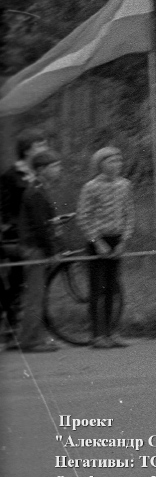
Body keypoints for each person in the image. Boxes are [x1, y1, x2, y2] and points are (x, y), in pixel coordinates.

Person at [77, 145, 134, 349]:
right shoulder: (91, 187)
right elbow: (83, 217)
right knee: (97, 289)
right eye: (111, 161)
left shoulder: (125, 185)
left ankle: (112, 331)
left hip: (116, 240)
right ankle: (97, 334)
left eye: (119, 161)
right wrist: (97, 241)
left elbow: (129, 215)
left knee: (113, 288)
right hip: (97, 242)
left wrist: (123, 241)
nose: (116, 165)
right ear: (101, 164)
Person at [1, 128, 49, 348]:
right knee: (17, 284)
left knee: (29, 285)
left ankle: (26, 333)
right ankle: (11, 332)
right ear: (27, 150)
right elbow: (6, 207)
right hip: (17, 236)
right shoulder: (11, 175)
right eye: (40, 145)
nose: (45, 149)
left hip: (33, 233)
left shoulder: (39, 173)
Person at [14, 151, 64, 352]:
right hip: (34, 249)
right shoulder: (35, 191)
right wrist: (52, 250)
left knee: (38, 295)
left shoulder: (40, 188)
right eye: (54, 166)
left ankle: (37, 337)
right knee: (35, 296)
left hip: (37, 247)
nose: (58, 170)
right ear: (41, 170)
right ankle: (29, 340)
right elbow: (40, 227)